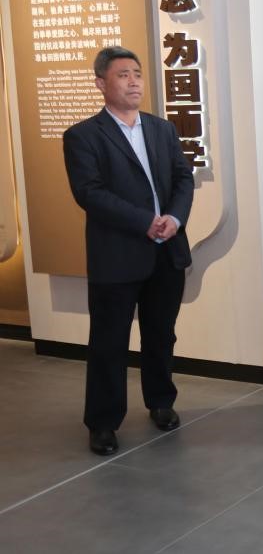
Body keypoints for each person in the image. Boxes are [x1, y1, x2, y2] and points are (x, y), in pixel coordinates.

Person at [63, 46, 195, 456]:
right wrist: (145, 221)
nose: (134, 81)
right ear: (100, 83)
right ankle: (103, 422)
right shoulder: (83, 136)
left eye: (137, 73)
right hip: (117, 253)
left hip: (166, 250)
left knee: (161, 334)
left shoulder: (162, 129)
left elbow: (183, 178)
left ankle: (161, 401)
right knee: (109, 341)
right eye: (123, 74)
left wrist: (174, 218)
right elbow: (89, 193)